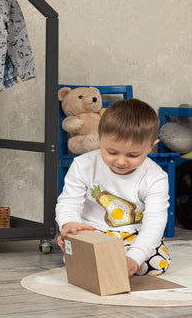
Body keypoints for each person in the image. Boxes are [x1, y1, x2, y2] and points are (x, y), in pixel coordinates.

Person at [56, 98, 170, 277]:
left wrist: (135, 257)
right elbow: (69, 202)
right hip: (93, 231)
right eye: (112, 152)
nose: (121, 161)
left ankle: (118, 261)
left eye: (133, 155)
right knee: (80, 255)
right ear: (99, 138)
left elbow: (155, 221)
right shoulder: (82, 165)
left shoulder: (156, 177)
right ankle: (100, 259)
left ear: (151, 147)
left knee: (157, 265)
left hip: (133, 234)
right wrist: (70, 224)